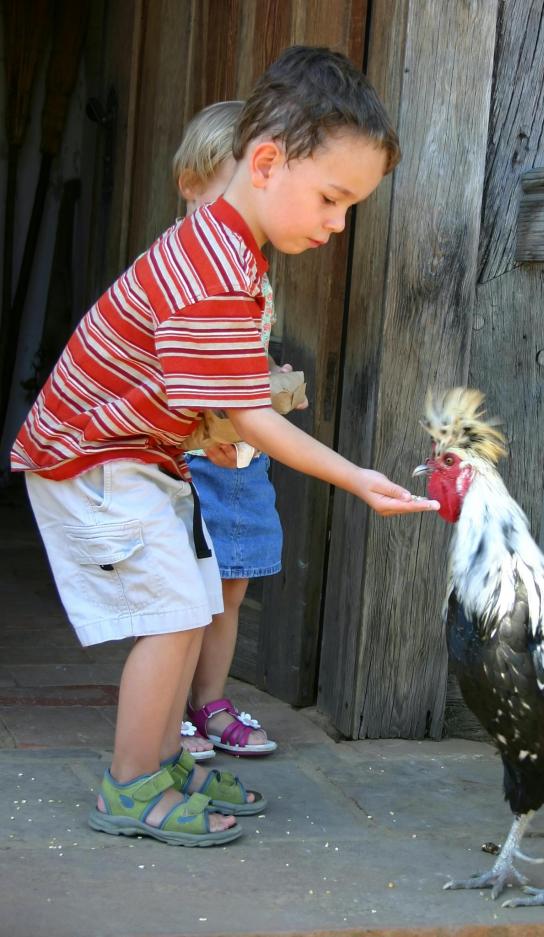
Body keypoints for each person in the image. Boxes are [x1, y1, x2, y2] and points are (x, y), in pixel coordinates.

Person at [11, 45, 439, 847]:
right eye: (333, 199)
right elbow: (248, 416)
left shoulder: (231, 248)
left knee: (195, 600)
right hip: (91, 458)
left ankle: (164, 756)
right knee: (174, 613)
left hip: (133, 456)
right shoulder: (211, 266)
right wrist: (357, 476)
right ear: (269, 162)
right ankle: (133, 783)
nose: (339, 224)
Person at [172, 100, 298, 761]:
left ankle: (209, 700)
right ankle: (168, 709)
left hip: (243, 456)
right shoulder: (177, 266)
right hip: (186, 456)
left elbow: (240, 350)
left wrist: (269, 372)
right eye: (228, 192)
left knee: (231, 583)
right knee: (184, 587)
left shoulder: (252, 269)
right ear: (190, 184)